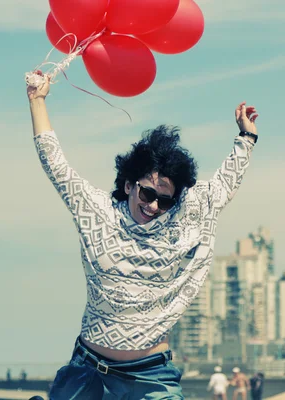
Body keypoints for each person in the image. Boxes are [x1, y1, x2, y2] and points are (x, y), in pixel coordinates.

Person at [27, 76, 259, 399]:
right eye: (147, 193)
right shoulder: (99, 212)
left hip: (150, 375)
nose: (153, 206)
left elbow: (222, 188)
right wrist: (38, 100)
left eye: (164, 200)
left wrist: (246, 137)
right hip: (88, 371)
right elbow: (56, 165)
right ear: (128, 185)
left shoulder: (179, 218)